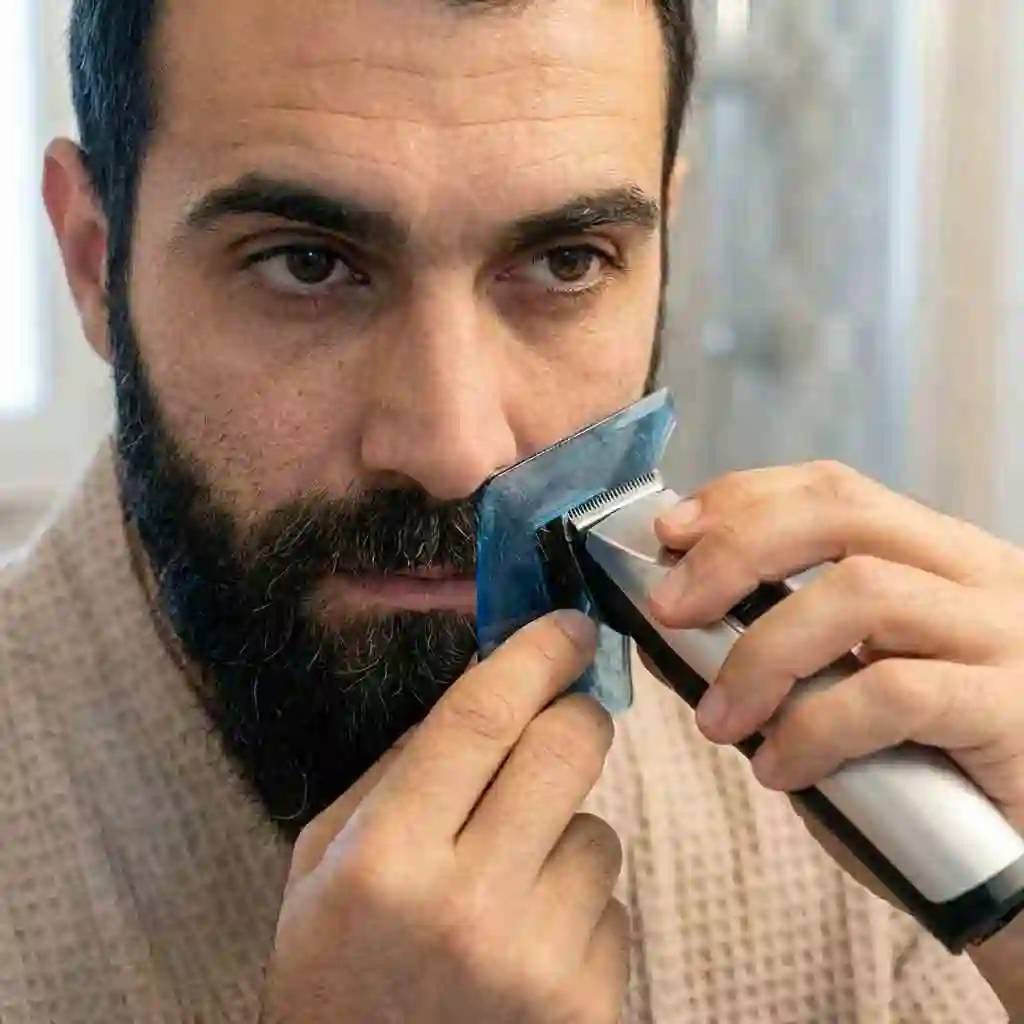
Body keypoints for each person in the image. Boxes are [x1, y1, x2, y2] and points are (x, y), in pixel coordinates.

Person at [1, 0, 1021, 1019]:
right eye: (306, 263)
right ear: (95, 261)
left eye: (566, 261)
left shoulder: (869, 793)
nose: (457, 450)